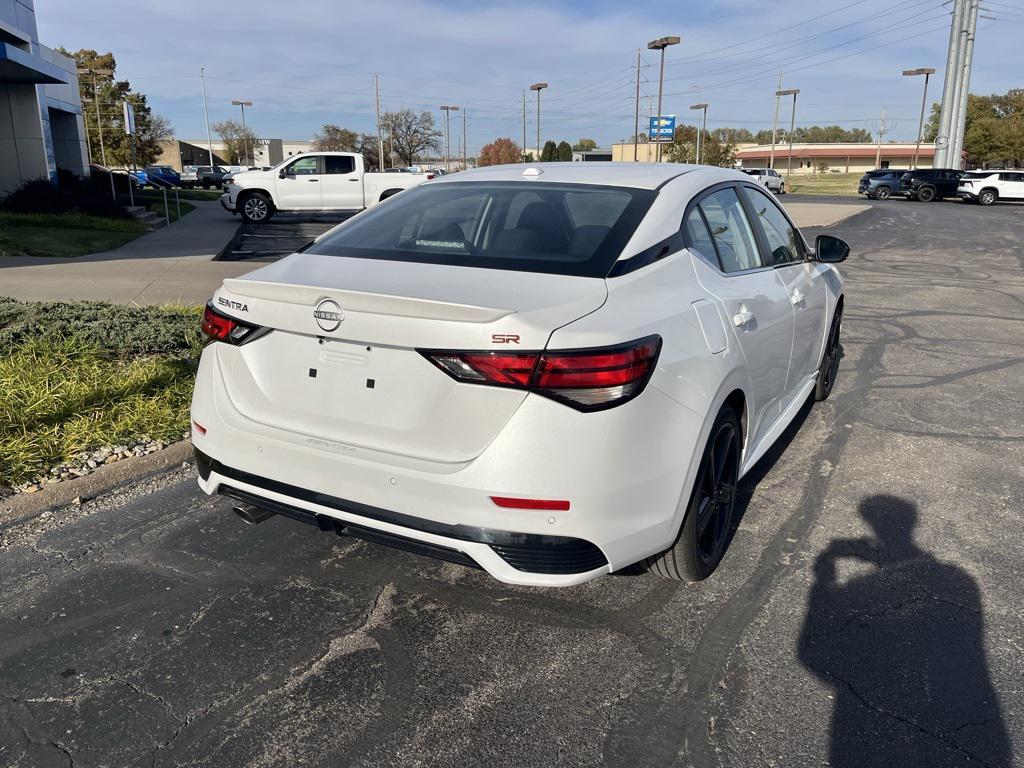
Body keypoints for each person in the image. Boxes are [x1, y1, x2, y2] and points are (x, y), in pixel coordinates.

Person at [799, 495, 1012, 767]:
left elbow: (813, 652)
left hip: (869, 730)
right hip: (974, 733)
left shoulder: (862, 590)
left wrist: (824, 573)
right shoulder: (959, 579)